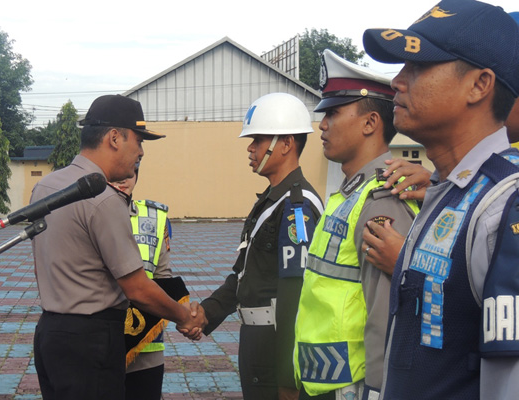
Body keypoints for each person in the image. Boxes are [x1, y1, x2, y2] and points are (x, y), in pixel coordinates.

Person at [362, 0, 519, 398]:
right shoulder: (449, 190)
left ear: (479, 85)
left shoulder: (503, 206)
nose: (397, 81)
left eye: (417, 66)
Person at [30, 94, 203, 400]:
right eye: (138, 140)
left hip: (50, 335)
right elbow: (137, 289)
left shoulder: (46, 186)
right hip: (92, 342)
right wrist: (184, 316)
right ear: (114, 138)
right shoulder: (104, 199)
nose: (141, 152)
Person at [292, 50, 419, 400]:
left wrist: (378, 391)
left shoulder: (382, 199)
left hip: (351, 389)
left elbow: (385, 315)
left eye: (333, 113)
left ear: (370, 123)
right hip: (322, 382)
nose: (322, 124)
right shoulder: (347, 196)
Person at [191, 92, 324, 400]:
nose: (250, 148)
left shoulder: (296, 206)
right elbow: (242, 276)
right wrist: (206, 314)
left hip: (276, 348)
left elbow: (295, 298)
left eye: (259, 140)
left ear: (287, 144)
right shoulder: (270, 200)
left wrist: (288, 380)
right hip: (256, 343)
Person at [110, 171, 175, 400]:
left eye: (130, 171)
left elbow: (163, 278)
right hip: (97, 346)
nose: (123, 178)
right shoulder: (84, 214)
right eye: (116, 171)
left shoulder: (156, 218)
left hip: (146, 349)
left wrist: (185, 316)